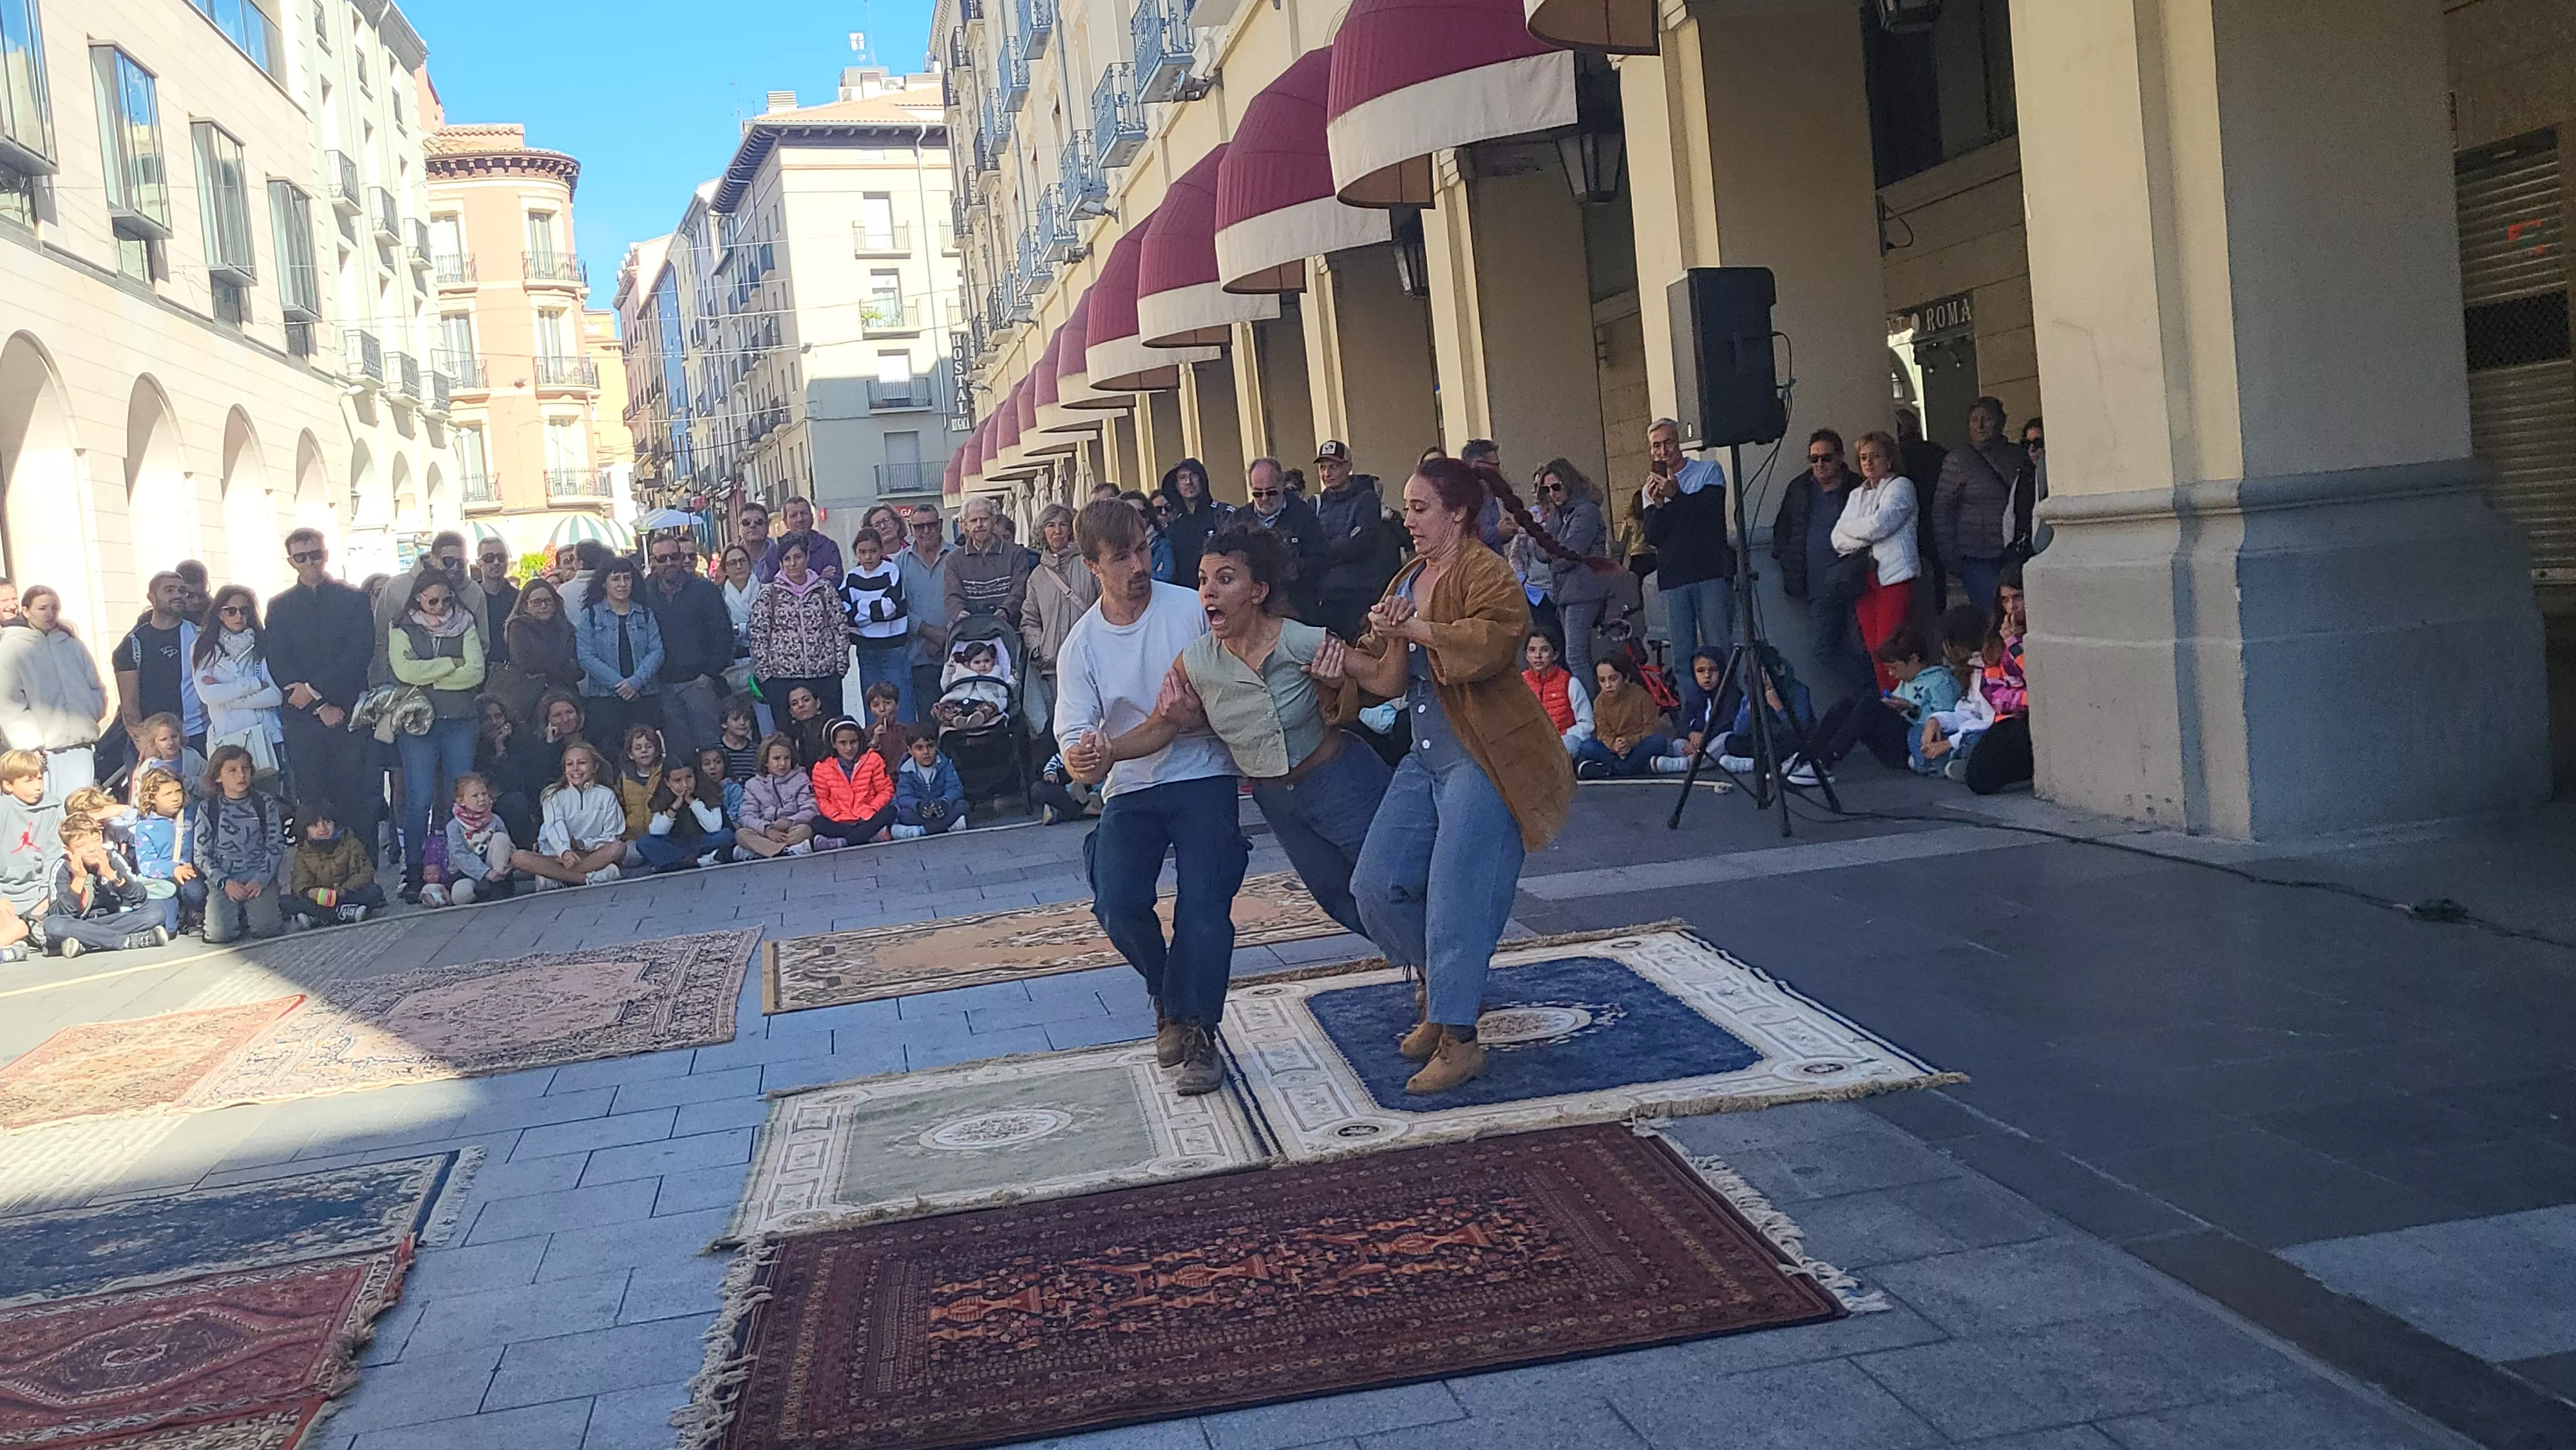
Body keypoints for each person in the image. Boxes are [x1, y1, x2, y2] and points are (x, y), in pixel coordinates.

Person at [1339, 458, 1580, 1094]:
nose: (1409, 520)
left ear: (1457, 513)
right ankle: (1444, 994)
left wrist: (1411, 626)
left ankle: (1459, 1038)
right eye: (1407, 508)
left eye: (1421, 508)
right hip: (1425, 755)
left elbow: (1494, 640)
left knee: (1456, 897)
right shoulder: (1411, 574)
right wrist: (1344, 660)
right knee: (1375, 884)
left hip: (1484, 754)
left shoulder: (1484, 569)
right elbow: (1390, 677)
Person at [1056, 498, 1247, 1098]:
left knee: (1205, 900)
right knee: (1115, 900)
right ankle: (1166, 991)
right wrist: (1080, 757)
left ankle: (1195, 1031)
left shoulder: (1190, 610)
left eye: (1143, 547)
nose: (1139, 564)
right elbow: (1072, 734)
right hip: (1130, 784)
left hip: (1202, 773)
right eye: (1122, 557)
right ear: (1093, 565)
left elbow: (1230, 697)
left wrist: (1190, 723)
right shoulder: (1082, 645)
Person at [1143, 523, 1388, 941]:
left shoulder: (1299, 638)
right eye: (1203, 581)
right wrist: (1105, 751)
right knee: (1334, 895)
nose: (1208, 592)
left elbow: (1383, 680)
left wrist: (1400, 636)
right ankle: (1421, 963)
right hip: (1276, 798)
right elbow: (1157, 725)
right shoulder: (1198, 660)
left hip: (1340, 779)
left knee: (1387, 884)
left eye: (1225, 579)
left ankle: (1439, 973)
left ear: (1258, 591)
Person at [268, 531, 379, 846]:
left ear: (325, 554)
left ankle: (363, 879)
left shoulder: (354, 599)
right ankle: (318, 883)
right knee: (311, 803)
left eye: (315, 554)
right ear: (291, 562)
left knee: (355, 798)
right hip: (303, 719)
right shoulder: (279, 607)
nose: (309, 562)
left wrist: (317, 690)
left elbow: (360, 653)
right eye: (301, 557)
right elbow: (279, 661)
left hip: (346, 713)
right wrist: (317, 704)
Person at [386, 567, 488, 904]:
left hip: (460, 719)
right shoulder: (401, 627)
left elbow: (475, 672)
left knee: (459, 796)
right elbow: (404, 672)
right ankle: (415, 870)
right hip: (418, 724)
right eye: (432, 600)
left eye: (446, 599)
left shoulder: (466, 621)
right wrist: (450, 663)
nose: (440, 606)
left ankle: (458, 865)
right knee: (419, 799)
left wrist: (428, 674)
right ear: (418, 598)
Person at [1772, 429, 1873, 704]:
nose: (1819, 465)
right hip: (1817, 586)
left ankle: (1872, 700)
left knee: (1865, 646)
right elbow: (1782, 529)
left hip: (1854, 582)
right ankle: (1867, 695)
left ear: (1840, 457)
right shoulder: (1799, 488)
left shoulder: (1857, 487)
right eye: (1813, 459)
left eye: (1826, 458)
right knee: (1823, 649)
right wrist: (1786, 558)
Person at [1795, 624, 1962, 777]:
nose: (1891, 674)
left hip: (1915, 745)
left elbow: (1946, 721)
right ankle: (1805, 756)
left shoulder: (1940, 682)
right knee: (1847, 704)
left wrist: (1911, 709)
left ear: (1914, 659)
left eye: (1895, 668)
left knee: (1871, 704)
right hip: (1895, 742)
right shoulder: (1907, 681)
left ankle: (1825, 762)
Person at [1640, 418, 1734, 667]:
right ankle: (1692, 707)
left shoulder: (1708, 471)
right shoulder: (1648, 489)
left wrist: (1677, 496)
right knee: (1682, 658)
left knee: (1718, 650)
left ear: (1679, 443)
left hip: (1709, 573)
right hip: (1673, 579)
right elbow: (1653, 537)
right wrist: (1659, 505)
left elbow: (1709, 517)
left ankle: (1726, 705)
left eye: (1668, 442)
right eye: (1656, 446)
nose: (1663, 451)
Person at [0, 585, 108, 802]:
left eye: (54, 608)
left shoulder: (72, 645)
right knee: (48, 809)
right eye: (42, 608)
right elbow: (10, 702)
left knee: (80, 807)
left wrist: (89, 713)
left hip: (79, 743)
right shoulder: (12, 647)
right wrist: (28, 743)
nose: (50, 614)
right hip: (43, 751)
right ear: (27, 610)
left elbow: (96, 687)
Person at [1833, 430, 1924, 691]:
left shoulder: (1902, 486)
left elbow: (1880, 526)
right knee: (1873, 647)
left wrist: (1857, 530)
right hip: (1864, 578)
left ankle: (1902, 700)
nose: (1869, 463)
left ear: (1889, 459)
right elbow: (1836, 538)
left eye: (1875, 456)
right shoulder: (1856, 494)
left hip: (1894, 575)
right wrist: (1867, 532)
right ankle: (1887, 698)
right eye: (1863, 457)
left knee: (1891, 645)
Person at [645, 536, 733, 754]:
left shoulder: (704, 590)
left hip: (698, 682)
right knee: (678, 752)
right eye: (661, 558)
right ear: (653, 561)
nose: (669, 563)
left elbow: (723, 633)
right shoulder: (645, 594)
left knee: (710, 747)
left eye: (673, 557)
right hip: (663, 684)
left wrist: (709, 674)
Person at [1935, 397, 2023, 612]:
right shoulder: (1958, 459)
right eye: (1974, 420)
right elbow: (1942, 510)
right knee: (1991, 614)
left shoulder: (2018, 456)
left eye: (1987, 419)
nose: (1980, 425)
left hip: (2013, 552)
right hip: (1976, 554)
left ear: (2001, 423)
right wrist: (1951, 556)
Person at [370, 533, 493, 688]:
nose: (454, 568)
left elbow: (481, 647)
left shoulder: (473, 592)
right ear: (433, 558)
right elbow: (382, 644)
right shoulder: (396, 588)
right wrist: (381, 685)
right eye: (448, 561)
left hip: (459, 693)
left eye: (460, 563)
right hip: (405, 690)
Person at [189, 745, 283, 943]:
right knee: (219, 935)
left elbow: (275, 845)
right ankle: (235, 915)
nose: (241, 775)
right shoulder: (209, 808)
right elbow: (201, 855)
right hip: (225, 878)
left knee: (267, 929)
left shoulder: (264, 803)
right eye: (232, 770)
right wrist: (225, 882)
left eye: (245, 768)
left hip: (257, 876)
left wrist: (261, 879)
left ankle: (265, 908)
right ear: (218, 777)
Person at [750, 537, 848, 727]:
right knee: (789, 736)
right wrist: (766, 676)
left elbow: (840, 627)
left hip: (824, 675)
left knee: (830, 730)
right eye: (787, 559)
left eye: (798, 557)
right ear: (780, 563)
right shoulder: (769, 594)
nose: (793, 563)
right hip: (783, 678)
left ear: (807, 557)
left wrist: (840, 667)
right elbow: (759, 635)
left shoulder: (824, 589)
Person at [192, 587, 283, 788]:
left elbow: (276, 695)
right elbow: (208, 695)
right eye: (230, 610)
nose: (238, 616)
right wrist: (255, 685)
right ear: (219, 613)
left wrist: (229, 698)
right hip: (229, 739)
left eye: (244, 610)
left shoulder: (265, 643)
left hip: (267, 737)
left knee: (273, 801)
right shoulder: (204, 646)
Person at [1532, 460, 1611, 692]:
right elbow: (1540, 551)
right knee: (1575, 657)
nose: (1552, 494)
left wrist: (1553, 554)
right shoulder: (1559, 514)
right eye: (1546, 490)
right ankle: (1589, 714)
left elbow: (1569, 554)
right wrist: (1554, 552)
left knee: (1576, 657)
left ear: (1569, 483)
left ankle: (1592, 717)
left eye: (1556, 487)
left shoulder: (1586, 510)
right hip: (1566, 592)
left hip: (1584, 591)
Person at [1311, 441, 1401, 643]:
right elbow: (1312, 547)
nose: (1327, 473)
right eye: (1323, 467)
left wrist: (1326, 549)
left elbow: (1361, 545)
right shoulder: (1317, 504)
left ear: (1348, 467)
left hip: (1359, 598)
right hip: (1325, 599)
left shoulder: (1366, 499)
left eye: (1334, 466)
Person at [1021, 503, 1098, 739]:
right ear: (1042, 532)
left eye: (1063, 525)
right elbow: (1029, 620)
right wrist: (1040, 648)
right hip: (1052, 666)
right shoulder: (1037, 576)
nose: (1057, 531)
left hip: (1090, 660)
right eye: (1051, 526)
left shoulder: (1089, 566)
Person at [46, 814, 166, 955]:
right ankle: (124, 941)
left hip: (113, 920)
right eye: (82, 845)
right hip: (81, 923)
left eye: (96, 840)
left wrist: (111, 875)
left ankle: (88, 943)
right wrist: (79, 879)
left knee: (156, 912)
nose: (92, 849)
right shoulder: (62, 867)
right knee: (54, 925)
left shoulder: (112, 858)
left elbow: (140, 897)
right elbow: (59, 912)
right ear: (68, 850)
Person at [515, 740, 625, 889]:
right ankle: (588, 879)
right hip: (559, 858)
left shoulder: (606, 796)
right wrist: (564, 851)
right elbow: (555, 825)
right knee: (519, 857)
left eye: (582, 763)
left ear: (595, 767)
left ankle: (556, 878)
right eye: (570, 764)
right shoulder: (553, 795)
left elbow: (612, 835)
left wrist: (583, 844)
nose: (575, 769)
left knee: (618, 848)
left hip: (591, 855)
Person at [117, 572, 206, 757]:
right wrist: (143, 744)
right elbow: (130, 705)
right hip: (157, 744)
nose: (177, 595)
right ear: (152, 597)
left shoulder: (201, 637)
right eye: (169, 590)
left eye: (182, 591)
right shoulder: (133, 644)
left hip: (198, 734)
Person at [842, 528, 914, 726]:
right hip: (866, 648)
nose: (868, 556)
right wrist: (869, 612)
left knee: (899, 698)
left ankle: (905, 740)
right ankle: (875, 743)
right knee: (871, 698)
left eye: (873, 551)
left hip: (893, 646)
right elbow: (844, 611)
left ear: (881, 550)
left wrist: (860, 610)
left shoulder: (892, 571)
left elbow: (889, 608)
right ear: (856, 553)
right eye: (863, 551)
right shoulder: (851, 577)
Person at [1244, 458, 1325, 622]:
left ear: (1282, 484)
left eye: (1271, 492)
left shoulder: (1304, 516)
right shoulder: (1239, 520)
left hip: (1296, 611)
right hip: (1252, 614)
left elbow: (1321, 559)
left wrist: (1288, 570)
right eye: (1258, 493)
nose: (1265, 498)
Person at [493, 577, 581, 726]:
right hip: (533, 697)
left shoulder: (566, 628)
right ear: (525, 606)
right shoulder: (518, 627)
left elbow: (578, 667)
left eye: (548, 601)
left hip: (567, 694)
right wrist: (563, 664)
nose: (543, 606)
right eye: (536, 602)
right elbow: (527, 663)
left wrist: (555, 664)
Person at [941, 497, 1033, 636]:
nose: (979, 525)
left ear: (994, 521)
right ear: (965, 525)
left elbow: (1019, 589)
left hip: (1009, 631)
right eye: (973, 521)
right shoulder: (955, 559)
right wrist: (959, 613)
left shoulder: (1015, 553)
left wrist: (1006, 610)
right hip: (971, 633)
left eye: (984, 519)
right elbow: (952, 595)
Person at [285, 798, 383, 927]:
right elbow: (300, 880)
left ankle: (320, 917)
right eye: (315, 825)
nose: (323, 828)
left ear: (335, 823)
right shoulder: (303, 852)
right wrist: (310, 892)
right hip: (320, 898)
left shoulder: (351, 843)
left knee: (374, 891)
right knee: (286, 901)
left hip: (345, 895)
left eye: (327, 822)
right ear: (306, 829)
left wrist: (343, 890)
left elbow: (365, 873)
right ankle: (343, 914)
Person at [1575, 655, 1672, 779]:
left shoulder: (1641, 696)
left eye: (1613, 679)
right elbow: (1603, 733)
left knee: (1658, 741)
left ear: (1625, 678)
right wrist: (1614, 745)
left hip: (1637, 746)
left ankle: (1610, 769)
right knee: (1586, 746)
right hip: (1614, 750)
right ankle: (1634, 767)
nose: (1608, 685)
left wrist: (1630, 742)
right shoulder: (1599, 702)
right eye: (1602, 680)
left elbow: (1652, 728)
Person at [898, 507, 954, 719]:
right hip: (918, 656)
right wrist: (928, 632)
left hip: (956, 655)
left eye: (931, 525)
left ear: (940, 525)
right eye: (920, 526)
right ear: (912, 529)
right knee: (927, 722)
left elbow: (965, 599)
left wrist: (945, 636)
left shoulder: (957, 557)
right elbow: (899, 607)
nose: (926, 531)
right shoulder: (899, 564)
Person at [0, 748, 58, 949]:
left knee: (47, 928)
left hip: (38, 895)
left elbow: (54, 856)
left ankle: (21, 936)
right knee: (13, 925)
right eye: (28, 781)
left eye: (40, 779)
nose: (37, 787)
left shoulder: (51, 808)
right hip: (6, 895)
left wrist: (46, 896)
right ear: (8, 784)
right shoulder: (3, 810)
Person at [810, 716, 895, 848]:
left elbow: (885, 790)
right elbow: (821, 799)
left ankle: (842, 842)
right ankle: (869, 836)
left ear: (860, 741)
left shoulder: (873, 759)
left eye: (853, 742)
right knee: (817, 822)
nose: (849, 748)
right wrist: (836, 815)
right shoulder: (821, 767)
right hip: (840, 820)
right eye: (843, 743)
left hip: (867, 816)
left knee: (891, 811)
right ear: (833, 743)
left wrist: (871, 808)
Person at [636, 758, 734, 871]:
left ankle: (677, 862)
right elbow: (657, 832)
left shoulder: (708, 792)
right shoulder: (663, 798)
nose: (685, 785)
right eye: (678, 781)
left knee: (727, 835)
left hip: (704, 841)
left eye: (689, 778)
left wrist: (693, 803)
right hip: (676, 844)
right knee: (644, 843)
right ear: (668, 782)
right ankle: (700, 861)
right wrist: (674, 807)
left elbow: (714, 828)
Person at [1895, 407, 1949, 611]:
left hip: (1909, 524)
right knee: (1936, 582)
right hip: (1934, 521)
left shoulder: (1899, 456)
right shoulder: (1936, 451)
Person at [735, 733, 818, 858]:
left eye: (787, 758)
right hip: (766, 832)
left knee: (805, 830)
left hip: (792, 828)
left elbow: (810, 809)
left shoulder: (801, 779)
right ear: (765, 762)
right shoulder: (753, 785)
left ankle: (765, 851)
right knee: (741, 834)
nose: (783, 763)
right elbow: (746, 816)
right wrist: (767, 829)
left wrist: (789, 822)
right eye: (777, 758)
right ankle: (786, 850)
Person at [1156, 458, 1230, 589]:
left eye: (1193, 476)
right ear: (1176, 486)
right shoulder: (1173, 527)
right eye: (1182, 478)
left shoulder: (1224, 515)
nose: (1188, 482)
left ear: (1202, 480)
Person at [1520, 630, 1593, 755]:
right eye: (1532, 650)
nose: (1538, 656)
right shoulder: (1520, 684)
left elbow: (1586, 724)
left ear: (1555, 655)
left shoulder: (1570, 683)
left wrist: (1564, 736)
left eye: (1544, 650)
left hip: (1562, 742)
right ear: (1527, 656)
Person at [890, 728, 967, 838]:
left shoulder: (945, 764)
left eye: (930, 746)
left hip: (942, 808)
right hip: (921, 812)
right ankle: (947, 826)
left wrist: (945, 802)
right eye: (919, 748)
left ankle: (922, 831)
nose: (926, 752)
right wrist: (919, 806)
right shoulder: (906, 770)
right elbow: (904, 797)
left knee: (962, 805)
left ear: (936, 746)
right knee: (903, 815)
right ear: (910, 751)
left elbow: (955, 788)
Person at [759, 497, 842, 583]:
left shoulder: (827, 546)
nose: (800, 519)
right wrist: (819, 579)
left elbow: (834, 581)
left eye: (804, 513)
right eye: (793, 515)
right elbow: (769, 584)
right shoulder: (775, 550)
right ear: (786, 522)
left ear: (812, 518)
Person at [612, 723, 667, 854]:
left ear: (658, 750)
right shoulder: (624, 778)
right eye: (638, 748)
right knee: (631, 858)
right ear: (631, 754)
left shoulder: (665, 774)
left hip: (661, 836)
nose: (644, 751)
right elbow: (619, 807)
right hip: (632, 838)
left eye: (649, 746)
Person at [475, 539, 520, 668]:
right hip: (480, 671)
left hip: (514, 672)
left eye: (501, 557)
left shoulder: (520, 599)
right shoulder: (470, 599)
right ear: (479, 563)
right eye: (489, 558)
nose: (496, 563)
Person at [556, 540, 611, 616]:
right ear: (558, 566)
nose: (572, 565)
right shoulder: (615, 583)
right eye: (567, 562)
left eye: (574, 559)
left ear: (581, 563)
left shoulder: (564, 591)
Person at [716, 700, 761, 784]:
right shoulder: (715, 750)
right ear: (724, 723)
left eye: (746, 718)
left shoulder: (757, 751)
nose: (743, 723)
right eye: (736, 719)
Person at [735, 501, 777, 582]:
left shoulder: (782, 555)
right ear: (739, 529)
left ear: (767, 527)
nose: (752, 525)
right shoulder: (731, 560)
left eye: (759, 522)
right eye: (746, 522)